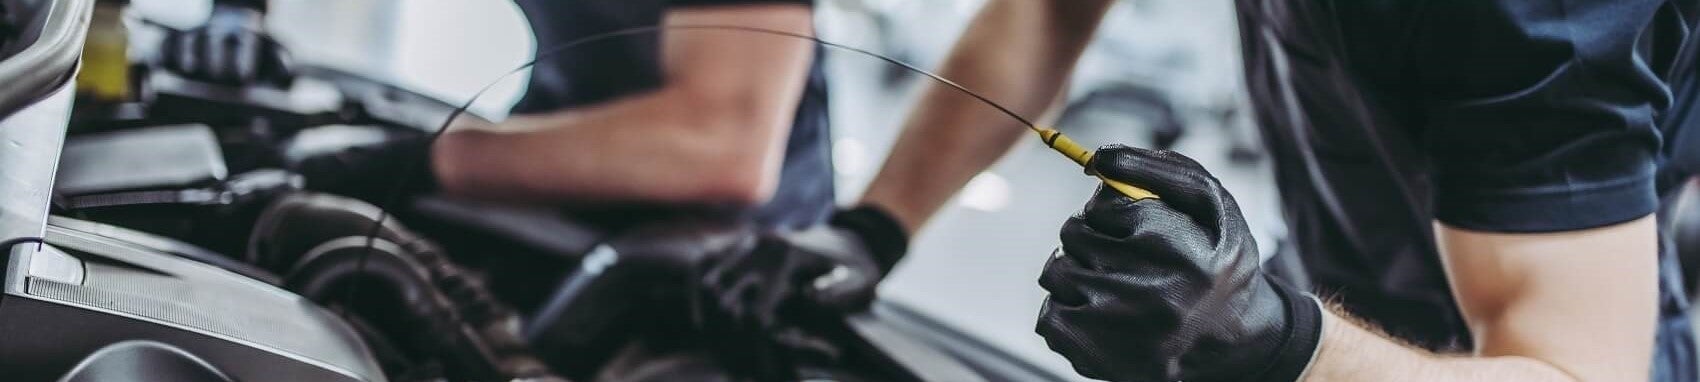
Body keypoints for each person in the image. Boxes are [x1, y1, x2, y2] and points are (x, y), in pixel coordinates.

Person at [823, 0, 1698, 381]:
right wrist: (873, 227)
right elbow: (1050, 9)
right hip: (1315, 289)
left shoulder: (1535, 17)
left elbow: (1577, 373)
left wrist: (1281, 346)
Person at [159, 0, 906, 378]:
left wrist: (419, 163)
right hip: (550, 184)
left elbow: (719, 144)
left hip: (707, 278)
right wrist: (240, 9)